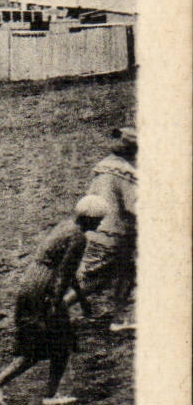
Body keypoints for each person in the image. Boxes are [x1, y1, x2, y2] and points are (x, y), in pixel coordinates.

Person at [0, 195, 105, 405]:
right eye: (99, 219)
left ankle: (0, 384)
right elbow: (65, 274)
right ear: (90, 218)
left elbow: (68, 270)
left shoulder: (65, 227)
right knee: (57, 343)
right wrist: (55, 303)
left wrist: (80, 299)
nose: (100, 223)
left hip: (32, 283)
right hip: (44, 290)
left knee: (43, 343)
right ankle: (9, 386)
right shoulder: (79, 238)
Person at [72, 126, 137, 325]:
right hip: (116, 235)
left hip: (96, 231)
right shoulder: (125, 174)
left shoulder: (102, 169)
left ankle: (118, 317)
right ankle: (55, 309)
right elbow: (134, 206)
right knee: (95, 280)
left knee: (123, 272)